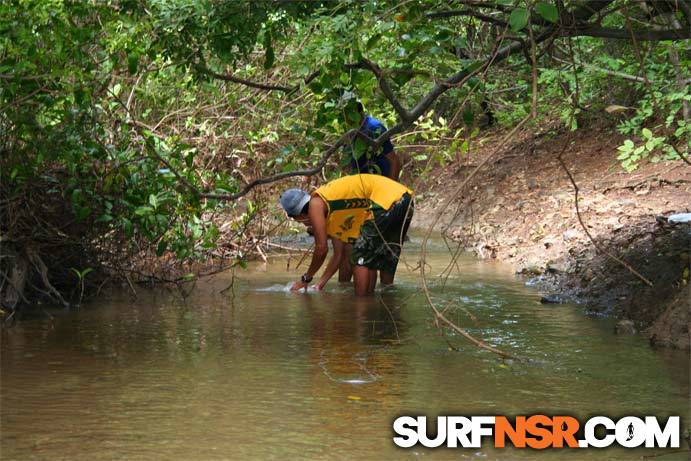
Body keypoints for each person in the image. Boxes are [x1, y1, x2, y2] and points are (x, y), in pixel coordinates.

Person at [280, 174, 413, 296]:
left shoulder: (315, 203)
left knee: (359, 256)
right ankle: (381, 305)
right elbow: (339, 254)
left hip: (386, 200)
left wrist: (306, 279)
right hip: (405, 199)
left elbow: (321, 249)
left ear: (298, 215)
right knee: (384, 255)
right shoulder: (334, 212)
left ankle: (361, 308)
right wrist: (319, 285)